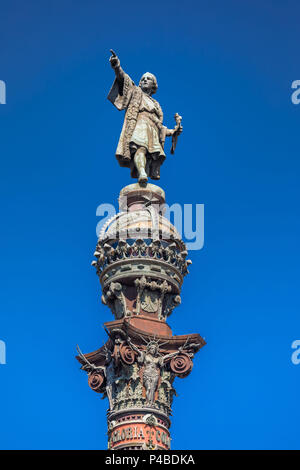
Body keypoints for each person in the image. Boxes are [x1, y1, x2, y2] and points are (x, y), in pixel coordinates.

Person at [108, 50, 182, 184]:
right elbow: (124, 79)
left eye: (148, 79)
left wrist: (174, 131)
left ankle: (144, 172)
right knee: (139, 148)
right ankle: (142, 173)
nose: (144, 80)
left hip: (153, 129)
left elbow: (161, 127)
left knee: (150, 156)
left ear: (153, 85)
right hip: (139, 123)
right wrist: (117, 66)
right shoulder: (136, 92)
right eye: (142, 79)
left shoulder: (156, 104)